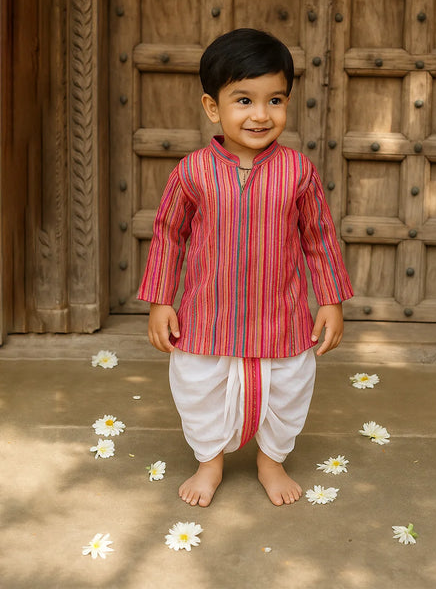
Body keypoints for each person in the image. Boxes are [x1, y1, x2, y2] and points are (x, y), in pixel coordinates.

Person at [138, 28, 353, 508]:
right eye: (243, 100)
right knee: (200, 387)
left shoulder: (298, 171)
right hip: (207, 315)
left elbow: (318, 237)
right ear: (212, 107)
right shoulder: (192, 171)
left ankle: (271, 460)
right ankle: (209, 462)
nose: (261, 114)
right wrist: (160, 302)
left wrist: (331, 301)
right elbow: (169, 234)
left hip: (282, 312)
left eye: (275, 100)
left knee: (288, 387)